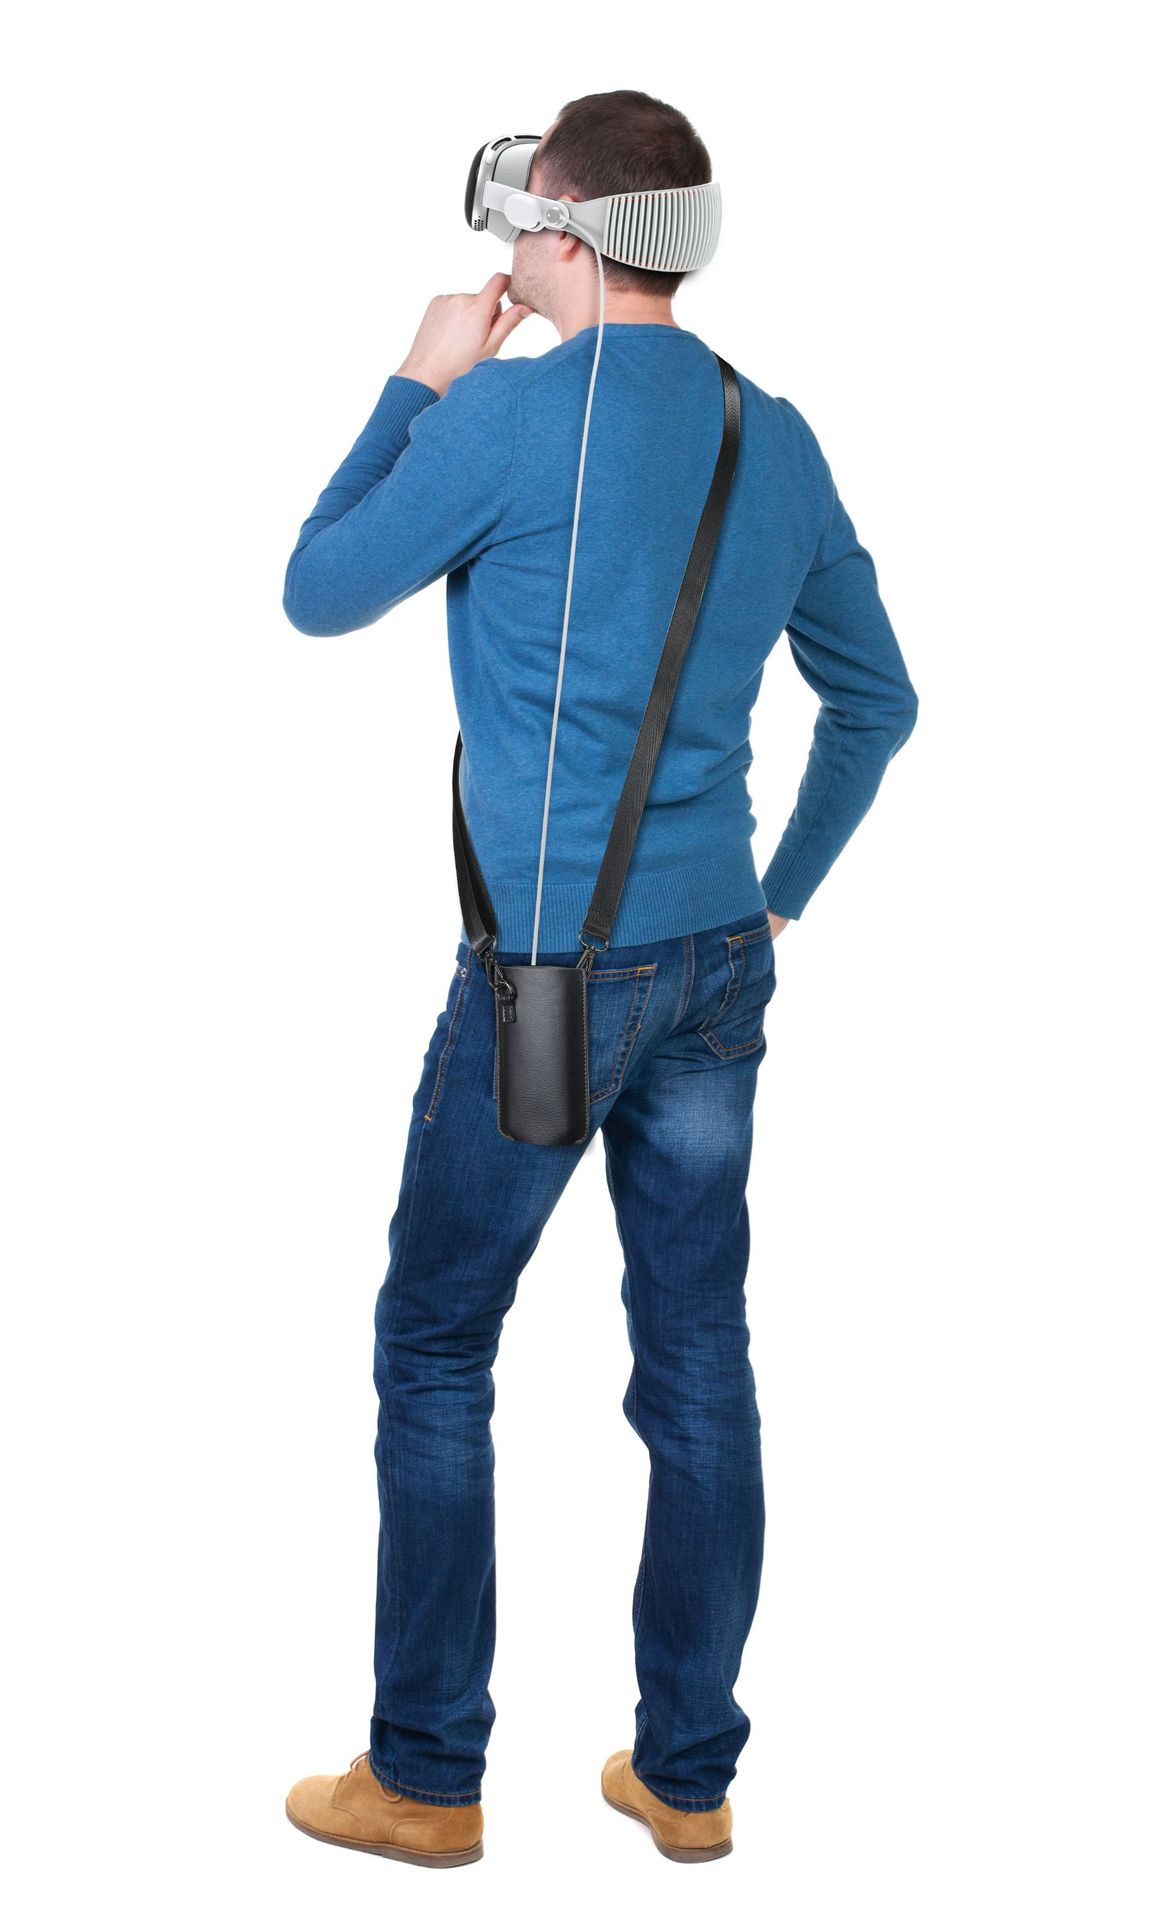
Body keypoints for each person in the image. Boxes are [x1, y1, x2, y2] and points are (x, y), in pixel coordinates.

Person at [281, 88, 918, 1869]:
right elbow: (880, 700)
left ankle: (425, 1780)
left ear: (557, 228)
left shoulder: (503, 417)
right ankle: (688, 1777)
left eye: (521, 214)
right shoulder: (773, 431)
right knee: (698, 1357)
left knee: (434, 1343)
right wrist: (778, 900)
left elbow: (317, 588)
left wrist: (418, 382)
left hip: (551, 978)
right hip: (716, 972)